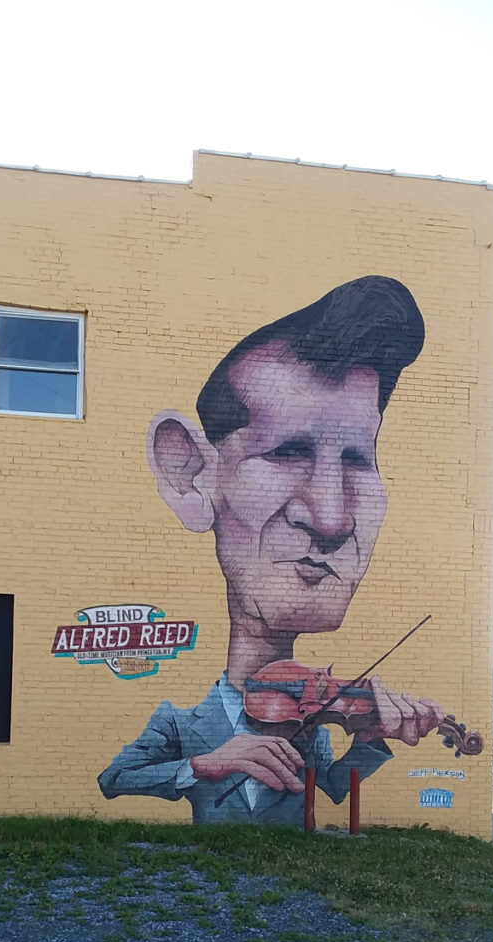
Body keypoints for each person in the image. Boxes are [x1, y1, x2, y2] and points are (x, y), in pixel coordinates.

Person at [98, 276, 443, 825]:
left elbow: (332, 788)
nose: (332, 518)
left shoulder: (309, 723)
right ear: (188, 474)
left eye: (357, 458)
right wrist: (208, 764)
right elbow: (114, 780)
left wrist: (375, 739)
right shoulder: (180, 724)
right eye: (286, 452)